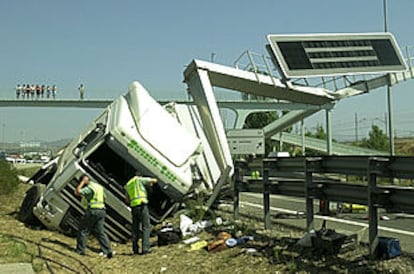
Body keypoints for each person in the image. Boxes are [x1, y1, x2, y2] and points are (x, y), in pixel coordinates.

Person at [74, 175, 114, 258]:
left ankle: (80, 251)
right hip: (102, 210)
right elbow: (104, 197)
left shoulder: (89, 188)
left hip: (93, 210)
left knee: (83, 230)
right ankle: (108, 250)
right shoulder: (99, 187)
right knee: (100, 232)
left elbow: (77, 192)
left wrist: (82, 182)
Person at [125, 172, 157, 255]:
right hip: (142, 205)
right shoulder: (139, 180)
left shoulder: (128, 184)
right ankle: (145, 248)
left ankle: (135, 249)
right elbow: (154, 180)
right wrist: (149, 184)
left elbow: (127, 200)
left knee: (135, 228)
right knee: (146, 227)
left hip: (134, 207)